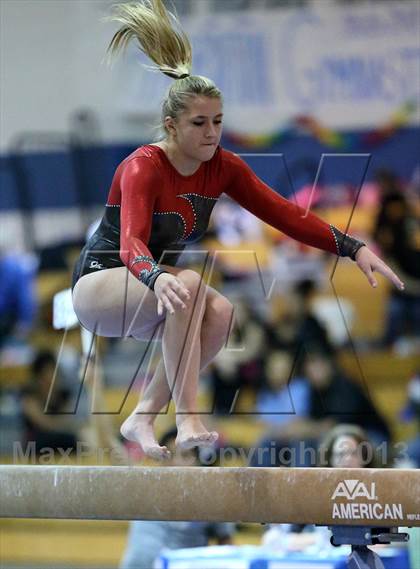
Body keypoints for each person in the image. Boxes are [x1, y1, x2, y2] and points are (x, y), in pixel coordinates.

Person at [71, 0, 405, 460]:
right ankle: (188, 416)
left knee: (223, 312)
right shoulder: (143, 167)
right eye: (199, 123)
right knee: (189, 284)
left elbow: (286, 214)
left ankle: (144, 415)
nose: (212, 133)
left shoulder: (224, 168)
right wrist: (157, 275)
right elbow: (130, 242)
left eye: (219, 122)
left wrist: (351, 247)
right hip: (98, 284)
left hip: (153, 286)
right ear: (171, 125)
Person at [119, 428, 234, 569]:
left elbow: (226, 545)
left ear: (197, 462)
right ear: (158, 460)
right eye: (169, 455)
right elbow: (108, 443)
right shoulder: (143, 484)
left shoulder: (210, 497)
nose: (176, 462)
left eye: (185, 455)